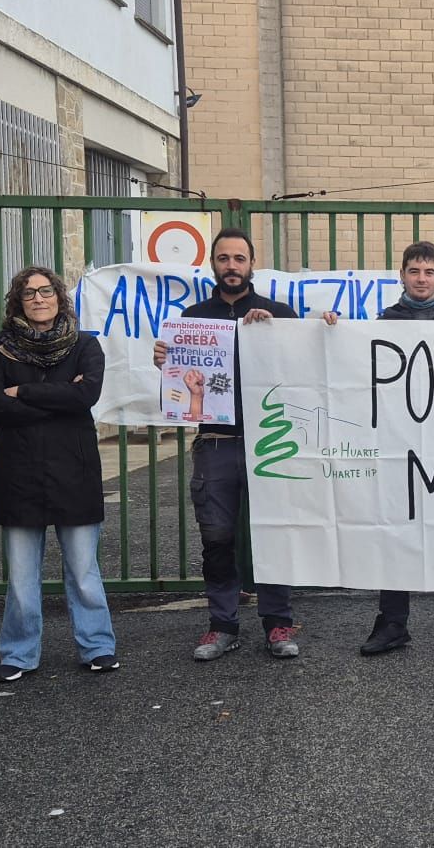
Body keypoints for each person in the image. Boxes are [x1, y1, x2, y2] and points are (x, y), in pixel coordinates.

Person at [322, 241, 434, 656]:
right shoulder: (385, 322)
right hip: (400, 448)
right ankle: (392, 624)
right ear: (401, 276)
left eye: (429, 272)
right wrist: (334, 330)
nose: (421, 279)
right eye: (414, 271)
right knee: (397, 532)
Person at [152, 229, 302, 661]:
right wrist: (166, 362)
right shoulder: (194, 317)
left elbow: (308, 366)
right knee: (216, 539)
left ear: (252, 263)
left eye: (239, 258)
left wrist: (281, 331)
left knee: (273, 534)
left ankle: (278, 624)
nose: (232, 266)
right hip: (215, 444)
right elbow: (180, 386)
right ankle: (222, 625)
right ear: (213, 264)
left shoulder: (278, 312)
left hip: (269, 443)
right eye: (224, 258)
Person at [0, 265, 118, 682]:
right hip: (17, 472)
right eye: (28, 293)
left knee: (84, 571)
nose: (38, 299)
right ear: (17, 302)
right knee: (20, 577)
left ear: (59, 296)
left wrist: (22, 391)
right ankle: (18, 654)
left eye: (45, 291)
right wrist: (60, 398)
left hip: (74, 470)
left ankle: (97, 646)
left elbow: (85, 395)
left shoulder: (86, 345)